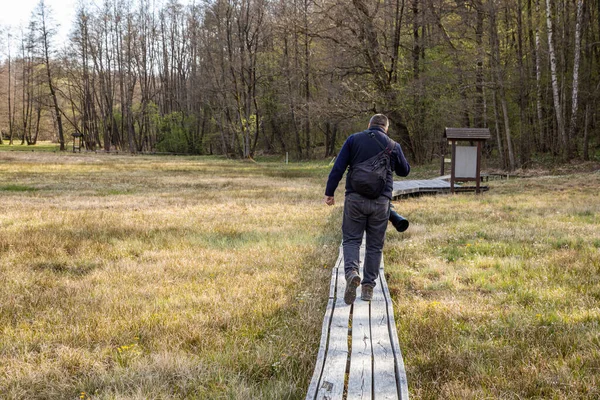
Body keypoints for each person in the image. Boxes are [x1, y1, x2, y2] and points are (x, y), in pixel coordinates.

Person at [324, 114, 410, 304]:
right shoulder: (393, 146)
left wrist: (330, 192)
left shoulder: (354, 140)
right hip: (381, 203)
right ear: (386, 128)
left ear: (369, 125)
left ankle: (352, 273)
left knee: (352, 240)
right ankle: (368, 287)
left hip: (355, 198)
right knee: (374, 245)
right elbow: (405, 170)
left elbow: (338, 167)